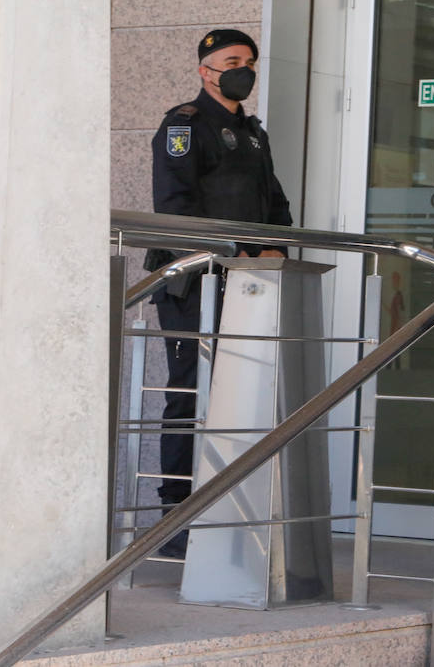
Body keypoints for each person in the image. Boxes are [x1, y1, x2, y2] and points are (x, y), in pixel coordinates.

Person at [147, 28, 292, 557]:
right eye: (232, 60)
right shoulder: (182, 126)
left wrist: (278, 248)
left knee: (239, 397)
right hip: (194, 282)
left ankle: (227, 511)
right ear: (205, 69)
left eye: (250, 61)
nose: (244, 69)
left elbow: (273, 201)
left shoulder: (253, 132)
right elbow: (176, 206)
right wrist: (233, 250)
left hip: (247, 283)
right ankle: (175, 519)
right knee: (192, 395)